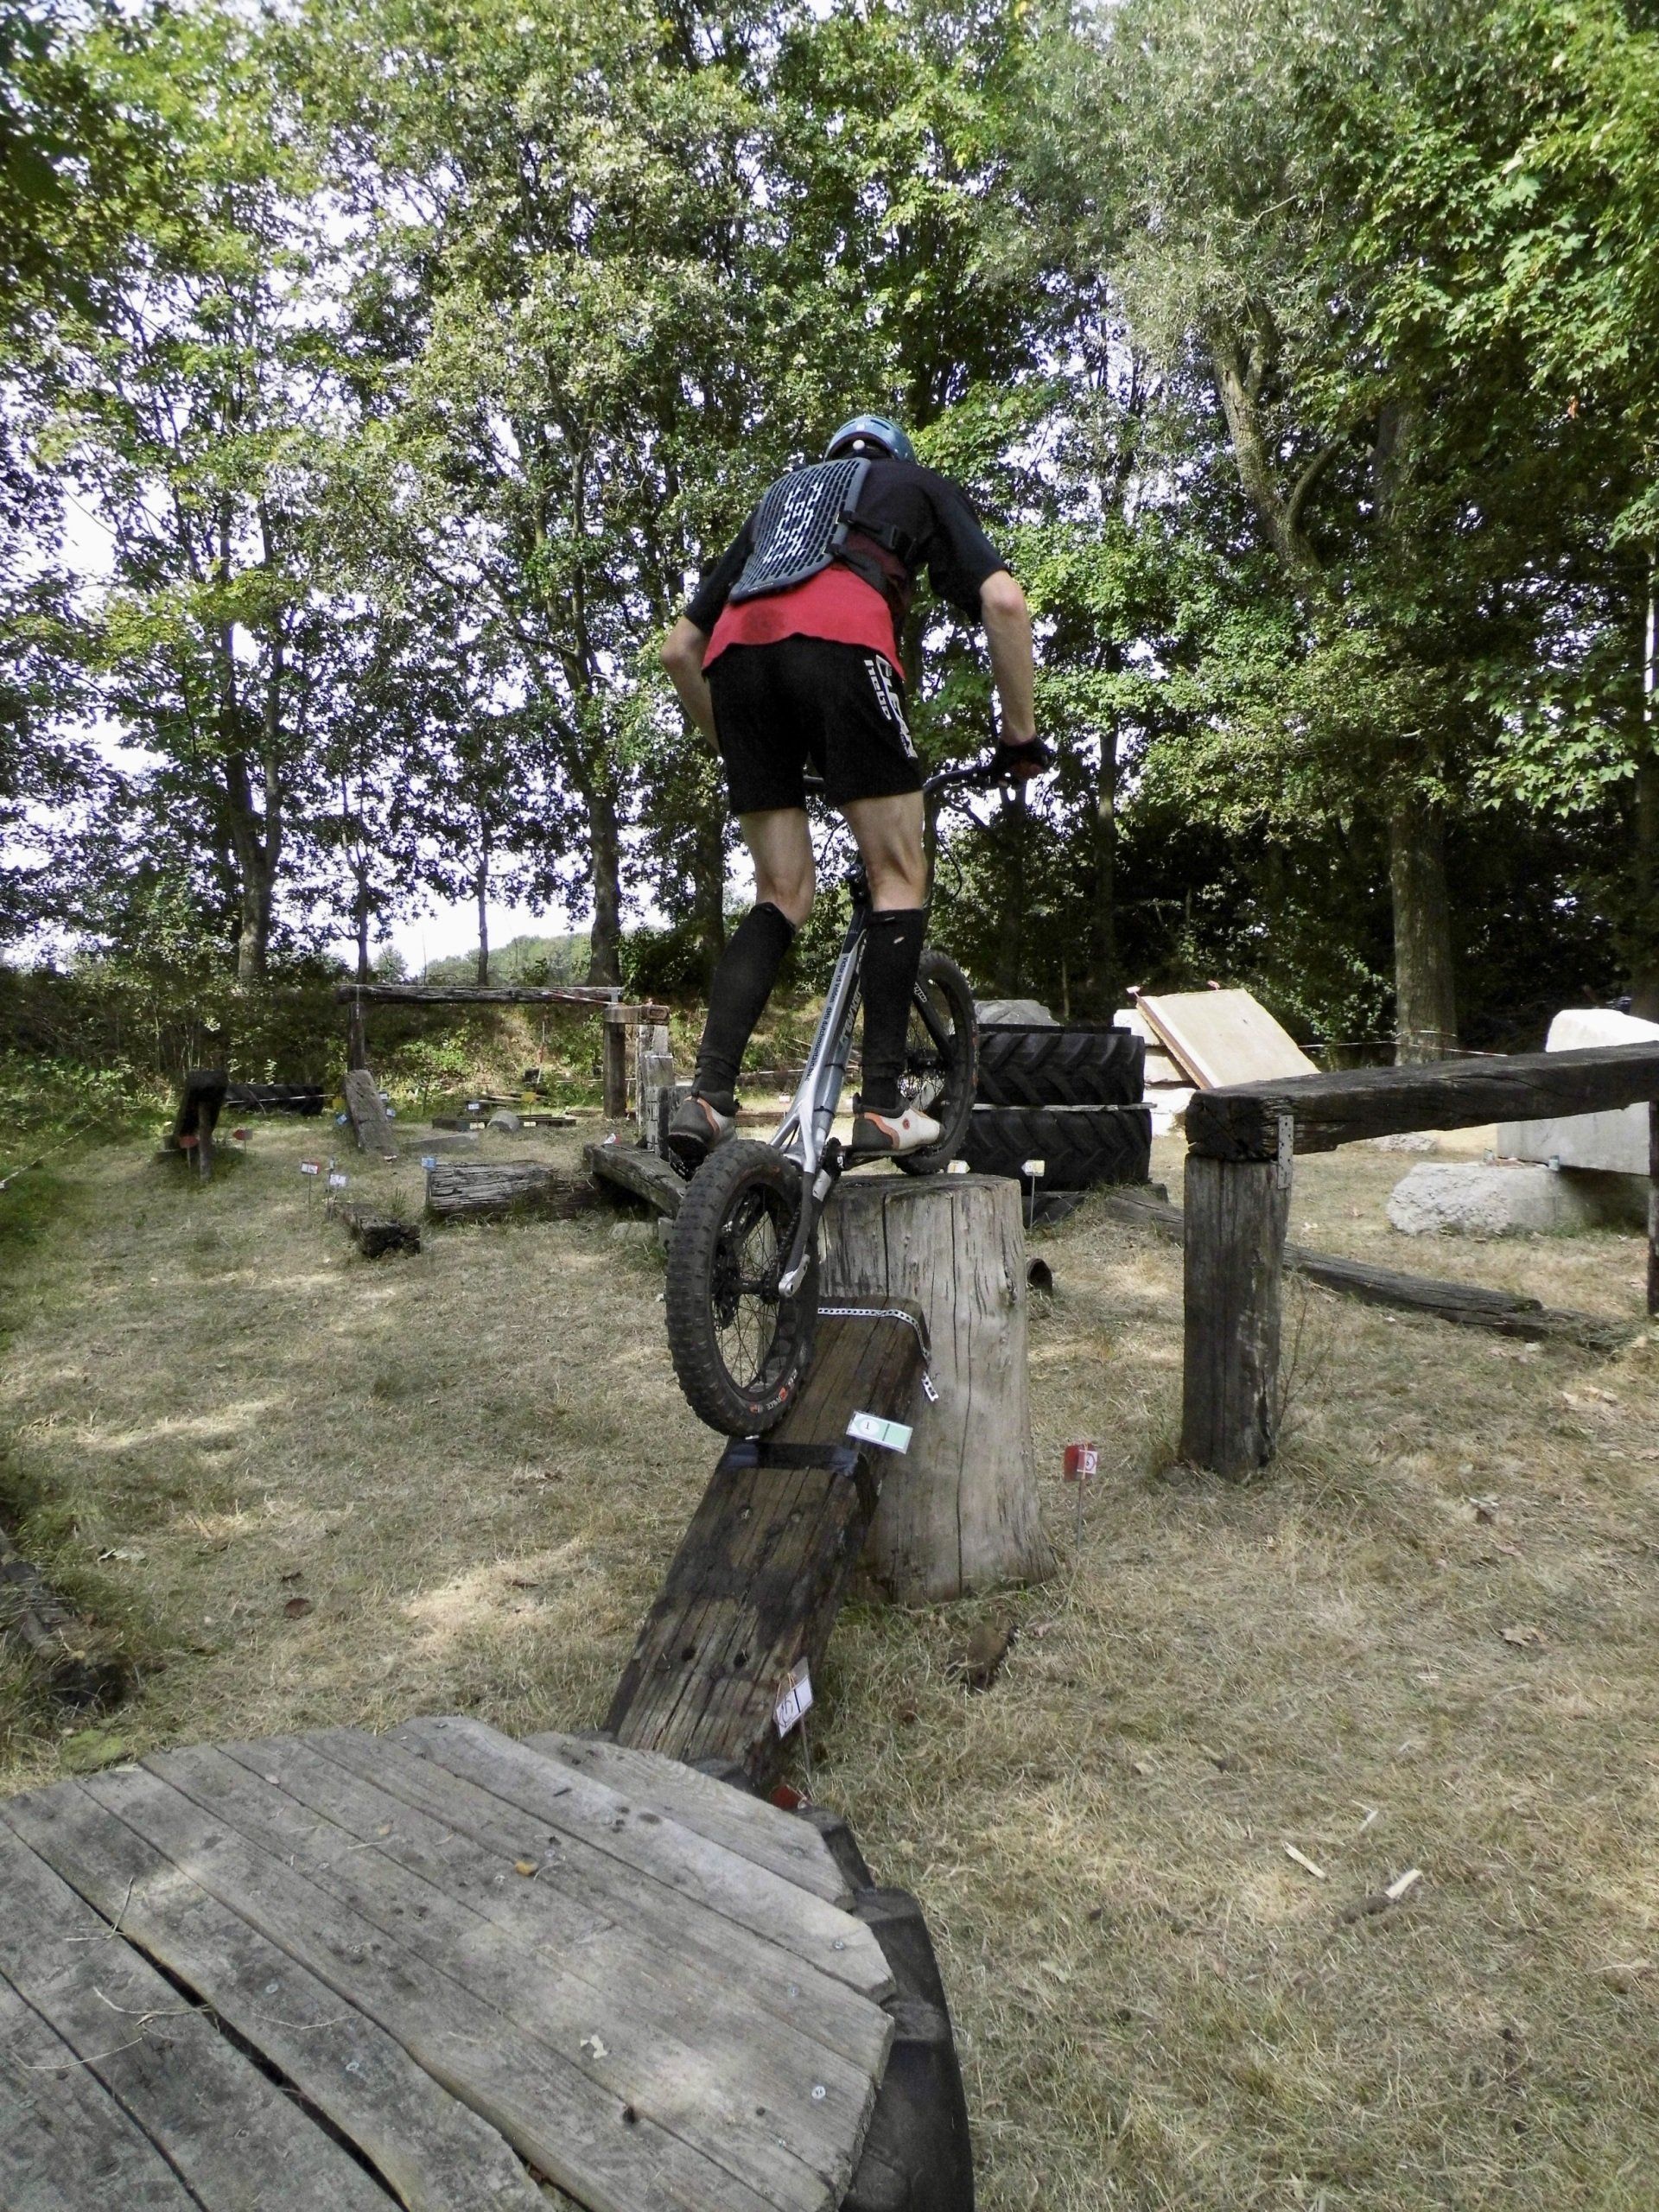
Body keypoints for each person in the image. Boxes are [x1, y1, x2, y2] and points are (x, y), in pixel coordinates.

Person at [658, 412, 1046, 1171]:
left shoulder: (780, 499)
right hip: (842, 641)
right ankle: (882, 1106)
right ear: (895, 458)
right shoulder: (917, 484)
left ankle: (707, 1097)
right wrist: (1019, 738)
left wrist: (751, 757)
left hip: (736, 665)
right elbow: (1004, 602)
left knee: (781, 893)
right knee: (897, 873)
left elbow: (680, 651)